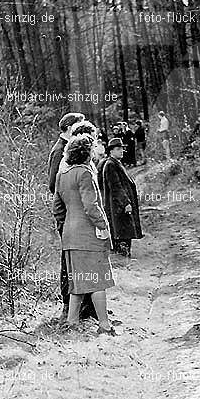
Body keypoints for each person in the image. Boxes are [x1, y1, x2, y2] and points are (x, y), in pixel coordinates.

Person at [52, 135, 116, 335]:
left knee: (77, 281)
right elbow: (91, 206)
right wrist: (104, 227)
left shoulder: (62, 174)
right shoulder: (85, 173)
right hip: (88, 234)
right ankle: (104, 326)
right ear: (86, 152)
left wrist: (65, 227)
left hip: (70, 235)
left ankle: (72, 322)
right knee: (98, 280)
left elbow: (57, 208)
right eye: (92, 149)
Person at [47, 112, 97, 323]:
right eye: (79, 125)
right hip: (71, 218)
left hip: (77, 218)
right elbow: (54, 186)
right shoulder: (60, 151)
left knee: (85, 263)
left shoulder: (78, 149)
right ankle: (70, 309)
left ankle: (88, 308)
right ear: (69, 128)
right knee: (70, 264)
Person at [101, 138, 143, 257]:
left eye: (122, 149)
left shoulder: (116, 163)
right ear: (111, 151)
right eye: (118, 149)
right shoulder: (110, 165)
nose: (121, 151)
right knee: (121, 233)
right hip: (117, 207)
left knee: (125, 232)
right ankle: (122, 258)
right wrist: (125, 203)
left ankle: (124, 256)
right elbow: (116, 187)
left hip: (120, 206)